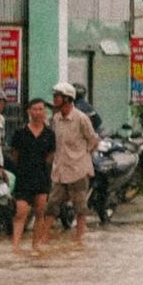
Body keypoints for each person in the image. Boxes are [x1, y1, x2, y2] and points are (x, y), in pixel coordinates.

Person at [48, 84, 96, 246]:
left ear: (68, 99)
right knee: (52, 204)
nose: (54, 99)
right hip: (60, 169)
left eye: (57, 96)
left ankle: (79, 239)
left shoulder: (81, 118)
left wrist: (82, 156)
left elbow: (93, 140)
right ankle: (43, 238)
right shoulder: (55, 119)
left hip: (78, 170)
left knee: (80, 206)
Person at [10, 100, 53, 253]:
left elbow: (50, 157)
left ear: (45, 112)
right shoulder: (20, 132)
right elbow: (14, 155)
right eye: (34, 109)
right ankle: (15, 246)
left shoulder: (49, 134)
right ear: (29, 111)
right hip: (23, 178)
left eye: (41, 109)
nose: (38, 112)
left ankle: (36, 245)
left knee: (40, 213)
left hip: (42, 177)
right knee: (21, 212)